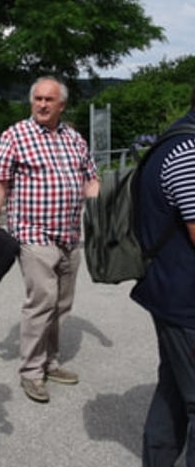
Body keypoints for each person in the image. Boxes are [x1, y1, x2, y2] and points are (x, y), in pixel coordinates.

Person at [0, 76, 99, 404]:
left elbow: (90, 180)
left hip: (69, 235)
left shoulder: (74, 139)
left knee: (62, 304)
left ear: (61, 105)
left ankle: (50, 361)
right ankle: (32, 371)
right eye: (37, 98)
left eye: (49, 100)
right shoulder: (15, 135)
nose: (42, 104)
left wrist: (103, 211)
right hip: (33, 234)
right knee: (42, 301)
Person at [131, 91, 195, 465]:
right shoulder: (188, 151)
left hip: (171, 293)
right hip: (186, 301)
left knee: (173, 392)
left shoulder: (173, 139)